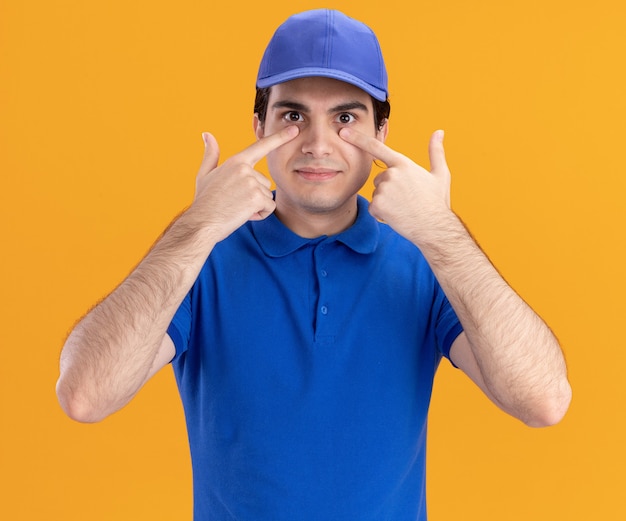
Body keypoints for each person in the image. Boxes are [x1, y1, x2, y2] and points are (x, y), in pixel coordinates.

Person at [56, 9, 572, 520]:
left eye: (346, 118)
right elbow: (85, 396)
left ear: (383, 132)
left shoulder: (425, 262)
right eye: (293, 115)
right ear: (259, 125)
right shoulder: (203, 261)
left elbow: (543, 402)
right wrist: (197, 228)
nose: (318, 144)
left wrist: (441, 234)